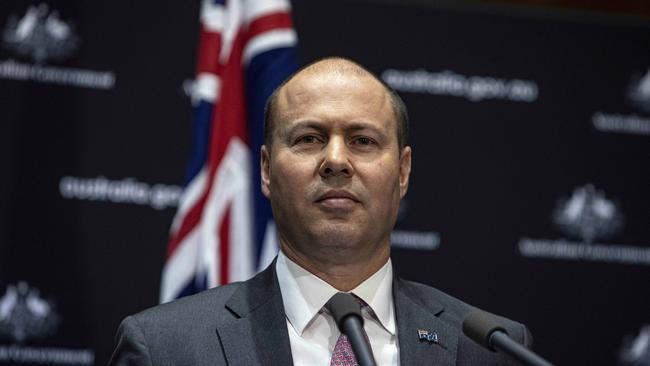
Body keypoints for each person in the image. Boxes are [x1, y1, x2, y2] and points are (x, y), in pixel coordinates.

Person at [108, 57, 532, 365]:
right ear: (267, 170)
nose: (336, 160)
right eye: (309, 138)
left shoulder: (490, 348)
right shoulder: (165, 348)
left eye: (363, 140)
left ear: (402, 172)